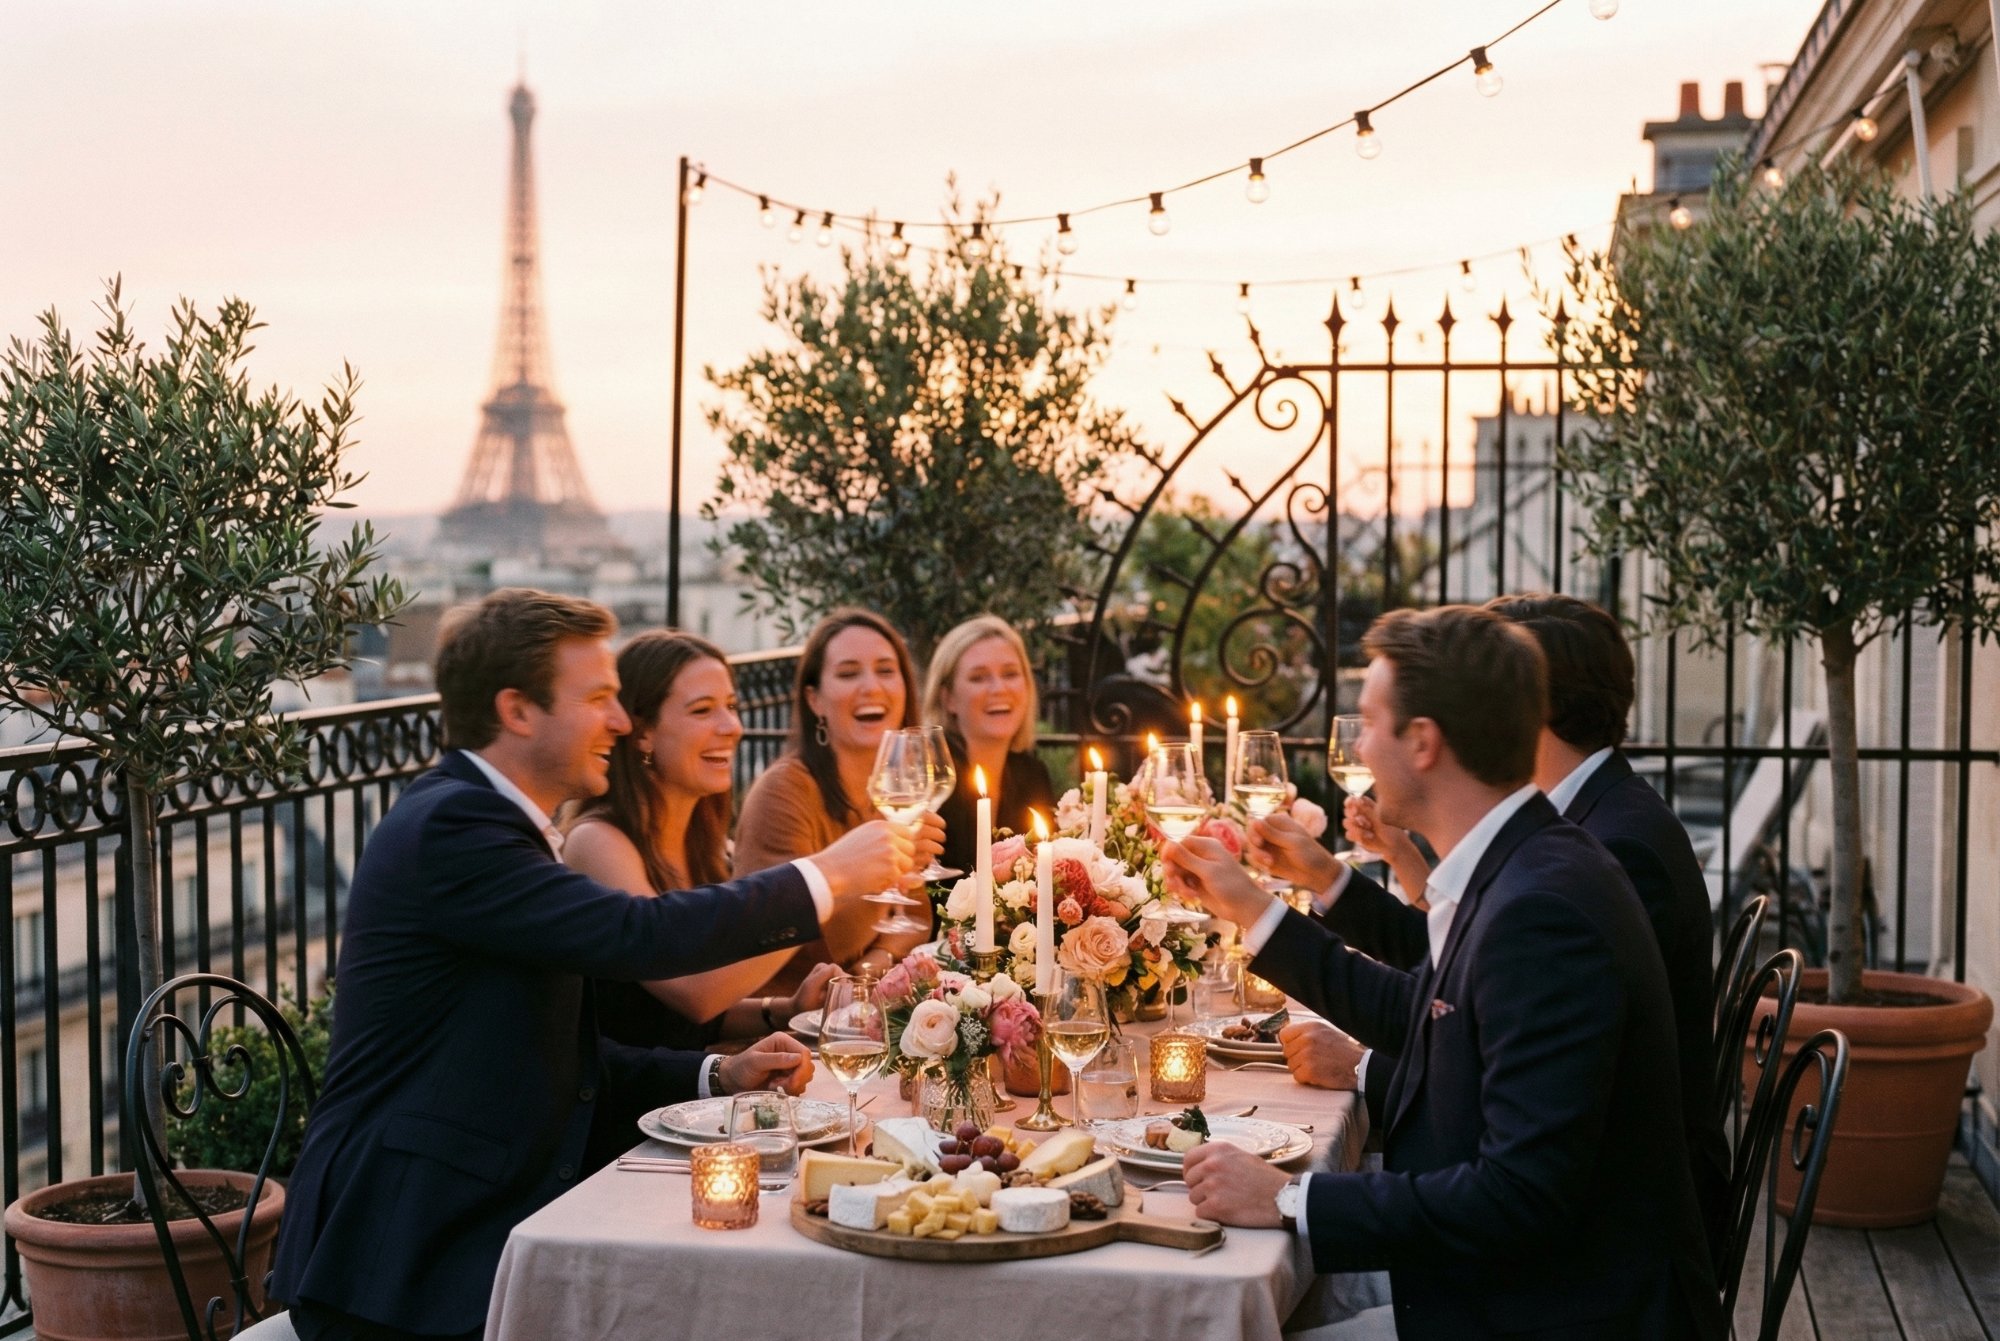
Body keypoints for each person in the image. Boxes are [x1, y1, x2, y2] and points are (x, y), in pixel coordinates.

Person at [270, 590, 919, 1341]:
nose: (620, 721)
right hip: (405, 1260)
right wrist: (826, 874)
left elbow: (552, 1055)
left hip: (479, 1231)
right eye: (601, 698)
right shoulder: (453, 826)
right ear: (517, 710)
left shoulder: (500, 825)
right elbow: (640, 934)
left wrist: (716, 1075)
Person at [1164, 605, 1721, 1340]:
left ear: (1423, 741)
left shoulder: (1542, 907)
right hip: (1505, 1280)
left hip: (1558, 1310)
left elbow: (1520, 1198)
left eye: (1367, 721)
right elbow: (1423, 1013)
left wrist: (1294, 1199)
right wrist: (1257, 912)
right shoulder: (1525, 858)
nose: (1357, 745)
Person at [562, 631, 858, 1052]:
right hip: (627, 1109)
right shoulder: (597, 843)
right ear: (642, 732)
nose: (731, 727)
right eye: (703, 710)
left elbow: (683, 1019)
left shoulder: (708, 843)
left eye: (732, 707)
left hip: (683, 1098)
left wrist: (783, 1008)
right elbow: (695, 993)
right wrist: (833, 882)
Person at [733, 608, 938, 985]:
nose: (871, 687)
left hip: (858, 1008)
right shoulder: (784, 793)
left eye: (886, 670)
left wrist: (868, 971)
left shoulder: (895, 794)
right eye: (848, 674)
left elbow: (916, 919)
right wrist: (879, 877)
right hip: (784, 1022)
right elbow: (799, 945)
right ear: (814, 700)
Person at [923, 614, 1056, 875]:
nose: (998, 688)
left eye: (1010, 674)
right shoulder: (929, 776)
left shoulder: (1032, 774)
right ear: (948, 698)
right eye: (978, 677)